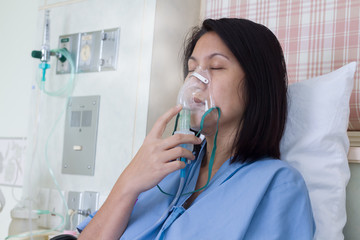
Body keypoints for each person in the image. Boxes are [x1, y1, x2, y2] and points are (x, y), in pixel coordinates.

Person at [78, 18, 315, 239]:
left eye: (216, 67)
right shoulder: (166, 169)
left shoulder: (277, 185)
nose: (196, 81)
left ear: (257, 85)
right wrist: (128, 184)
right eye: (192, 70)